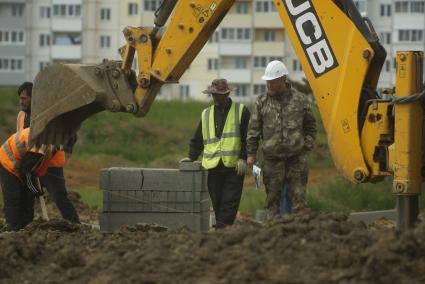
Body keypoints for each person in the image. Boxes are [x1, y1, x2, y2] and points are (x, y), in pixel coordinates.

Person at [247, 61, 316, 218]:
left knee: (299, 201)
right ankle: (274, 234)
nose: (269, 85)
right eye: (267, 81)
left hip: (296, 159)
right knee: (272, 202)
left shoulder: (300, 100)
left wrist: (308, 143)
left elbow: (310, 125)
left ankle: (301, 232)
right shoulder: (261, 102)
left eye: (272, 82)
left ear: (283, 79)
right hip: (272, 160)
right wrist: (251, 154)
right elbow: (253, 130)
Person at [180, 79, 251, 228]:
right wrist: (191, 156)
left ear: (227, 94)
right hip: (213, 166)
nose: (216, 98)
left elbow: (248, 137)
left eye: (219, 95)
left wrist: (243, 158)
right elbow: (198, 137)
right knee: (217, 200)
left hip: (233, 166)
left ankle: (222, 227)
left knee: (230, 200)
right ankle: (222, 229)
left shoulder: (241, 111)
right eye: (214, 95)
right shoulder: (206, 113)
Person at [16, 82, 80, 223]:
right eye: (20, 98)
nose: (21, 101)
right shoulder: (21, 116)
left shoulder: (48, 116)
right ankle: (25, 226)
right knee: (26, 196)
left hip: (50, 165)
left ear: (35, 98)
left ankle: (75, 225)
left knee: (59, 196)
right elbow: (19, 139)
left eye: (24, 98)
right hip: (30, 165)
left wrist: (60, 149)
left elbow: (71, 135)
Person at [0, 128, 56, 230]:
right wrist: (35, 190)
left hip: (23, 163)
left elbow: (34, 168)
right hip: (7, 161)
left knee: (28, 197)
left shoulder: (51, 147)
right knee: (14, 197)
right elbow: (26, 172)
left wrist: (35, 189)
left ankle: (27, 228)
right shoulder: (39, 144)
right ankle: (13, 230)